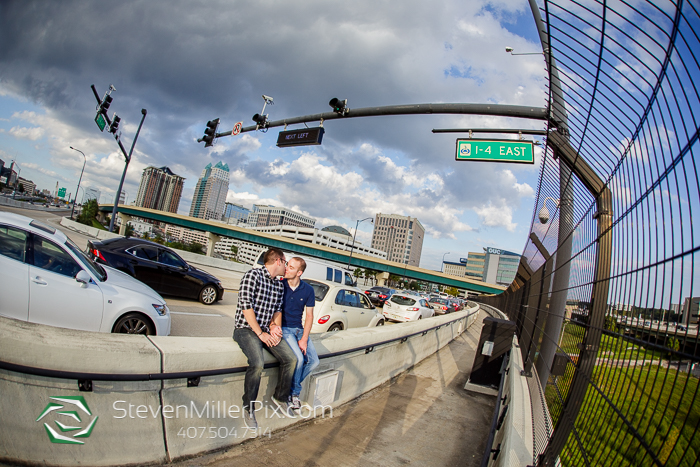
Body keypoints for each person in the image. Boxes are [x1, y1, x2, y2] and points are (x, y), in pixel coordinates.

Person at [233, 247, 297, 429]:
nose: (286, 266)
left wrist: (274, 327)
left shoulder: (278, 284)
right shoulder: (252, 276)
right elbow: (246, 308)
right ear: (278, 261)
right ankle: (248, 407)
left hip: (265, 330)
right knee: (257, 363)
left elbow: (277, 310)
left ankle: (280, 397)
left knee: (290, 359)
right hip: (245, 329)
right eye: (285, 262)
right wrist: (261, 334)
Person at [278, 257, 319, 410]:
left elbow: (309, 316)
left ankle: (290, 385)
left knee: (314, 361)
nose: (286, 269)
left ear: (299, 272)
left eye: (291, 267)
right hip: (285, 329)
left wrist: (304, 339)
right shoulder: (280, 285)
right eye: (287, 265)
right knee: (299, 359)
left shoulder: (308, 290)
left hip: (299, 329)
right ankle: (294, 394)